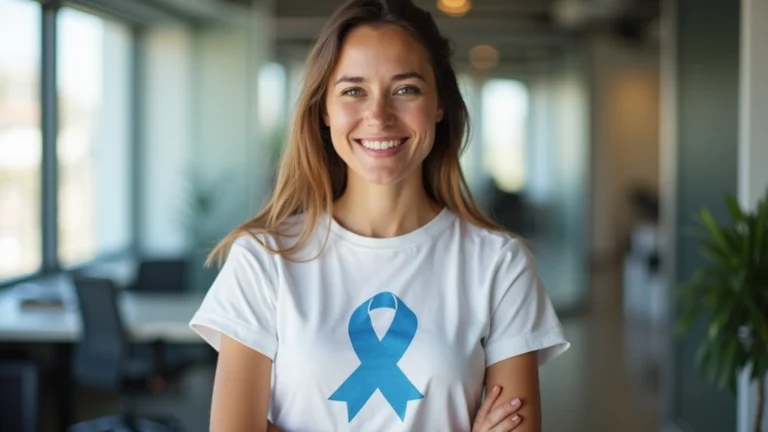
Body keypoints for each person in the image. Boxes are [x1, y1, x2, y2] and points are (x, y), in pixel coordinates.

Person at [189, 0, 570, 430]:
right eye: (354, 90)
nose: (378, 116)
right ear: (324, 110)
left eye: (406, 89)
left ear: (439, 104)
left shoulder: (500, 265)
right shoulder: (264, 259)